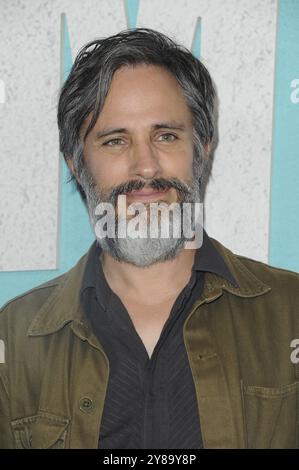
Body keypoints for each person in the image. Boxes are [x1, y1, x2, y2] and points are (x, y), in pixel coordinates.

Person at [0, 28, 298, 449]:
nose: (145, 167)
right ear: (76, 161)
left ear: (203, 148)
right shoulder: (14, 336)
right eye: (116, 140)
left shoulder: (292, 312)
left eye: (166, 136)